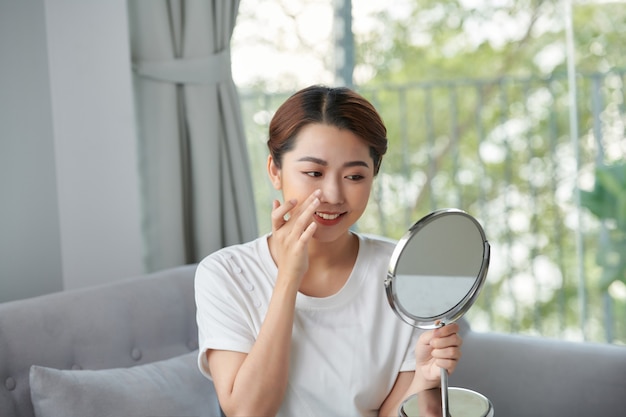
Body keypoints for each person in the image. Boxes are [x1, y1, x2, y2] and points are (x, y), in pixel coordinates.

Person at [195, 85, 462, 417]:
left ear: (373, 176)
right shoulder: (225, 273)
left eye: (354, 175)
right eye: (313, 173)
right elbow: (247, 412)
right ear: (275, 170)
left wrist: (422, 380)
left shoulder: (404, 272)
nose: (333, 194)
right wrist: (288, 276)